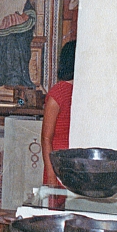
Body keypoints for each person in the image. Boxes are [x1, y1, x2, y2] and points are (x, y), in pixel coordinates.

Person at [42, 40, 76, 186]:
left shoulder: (84, 90)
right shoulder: (58, 93)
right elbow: (46, 139)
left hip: (77, 163)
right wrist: (51, 176)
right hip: (59, 164)